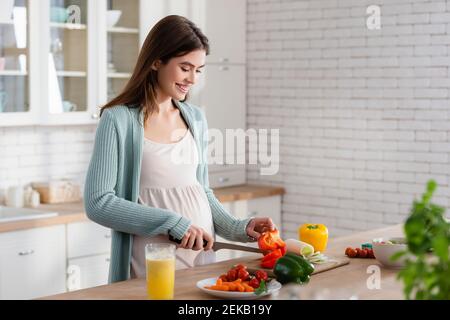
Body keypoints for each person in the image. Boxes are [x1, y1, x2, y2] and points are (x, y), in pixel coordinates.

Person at [84, 15, 276, 283]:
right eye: (185, 68)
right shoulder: (118, 120)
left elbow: (200, 190)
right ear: (156, 61)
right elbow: (98, 203)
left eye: (198, 70)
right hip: (151, 263)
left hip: (201, 260)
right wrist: (173, 223)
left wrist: (238, 228)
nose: (192, 79)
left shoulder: (195, 117)